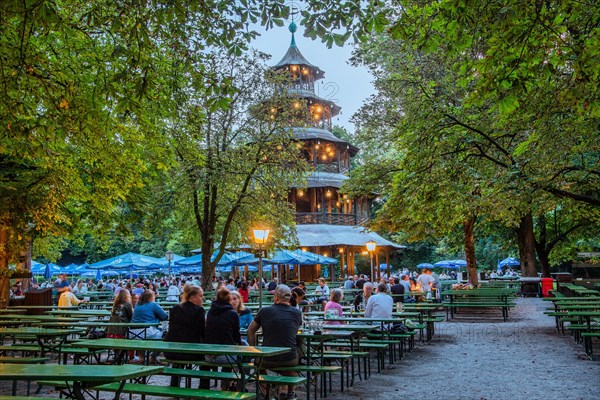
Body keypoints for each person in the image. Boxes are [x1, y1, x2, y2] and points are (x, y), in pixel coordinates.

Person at [247, 285, 302, 400]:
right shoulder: (297, 313)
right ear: (289, 297)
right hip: (289, 360)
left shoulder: (265, 311)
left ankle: (267, 391)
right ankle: (290, 393)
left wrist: (253, 350)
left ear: (276, 297)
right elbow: (292, 333)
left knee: (258, 364)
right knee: (292, 354)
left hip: (267, 359)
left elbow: (250, 330)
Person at [164, 285, 207, 388]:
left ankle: (174, 386)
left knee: (178, 357)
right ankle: (204, 388)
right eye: (201, 296)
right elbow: (202, 332)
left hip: (172, 352)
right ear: (192, 297)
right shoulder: (199, 310)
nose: (203, 298)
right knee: (206, 361)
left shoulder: (175, 308)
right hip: (191, 352)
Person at [205, 288, 242, 391]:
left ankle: (225, 386)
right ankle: (240, 386)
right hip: (224, 356)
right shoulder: (232, 313)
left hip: (208, 355)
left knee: (229, 352)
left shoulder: (210, 312)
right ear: (229, 298)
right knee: (245, 356)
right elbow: (236, 336)